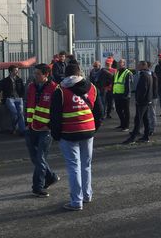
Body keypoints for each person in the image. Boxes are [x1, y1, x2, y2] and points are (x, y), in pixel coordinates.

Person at [50, 63, 101, 211]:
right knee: (86, 165)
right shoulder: (91, 87)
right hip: (88, 130)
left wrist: (56, 134)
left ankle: (76, 201)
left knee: (74, 167)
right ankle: (87, 195)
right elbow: (99, 111)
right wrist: (94, 127)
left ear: (65, 74)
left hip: (69, 133)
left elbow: (55, 116)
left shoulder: (60, 90)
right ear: (80, 73)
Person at [25, 63, 59, 197]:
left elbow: (57, 111)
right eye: (35, 73)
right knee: (35, 159)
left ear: (46, 75)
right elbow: (27, 105)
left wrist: (50, 126)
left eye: (38, 74)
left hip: (45, 130)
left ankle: (38, 186)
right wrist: (26, 123)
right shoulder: (31, 87)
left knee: (40, 158)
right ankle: (51, 176)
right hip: (31, 127)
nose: (35, 76)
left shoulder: (55, 88)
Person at [123, 61, 153, 144]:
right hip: (146, 100)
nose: (137, 66)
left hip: (142, 101)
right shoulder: (148, 74)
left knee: (138, 119)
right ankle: (146, 136)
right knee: (145, 119)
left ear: (144, 66)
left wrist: (139, 100)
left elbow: (143, 89)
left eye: (139, 65)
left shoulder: (144, 75)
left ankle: (133, 138)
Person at [0, 65, 26, 136]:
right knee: (15, 113)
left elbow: (23, 89)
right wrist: (2, 98)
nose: (17, 72)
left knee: (21, 114)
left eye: (17, 70)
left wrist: (21, 96)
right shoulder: (4, 81)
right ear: (10, 71)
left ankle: (22, 131)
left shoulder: (19, 80)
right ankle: (14, 128)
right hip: (9, 99)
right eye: (15, 70)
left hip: (18, 98)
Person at [112, 59, 133, 131]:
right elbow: (114, 83)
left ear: (124, 64)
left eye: (121, 62)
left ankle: (126, 126)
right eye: (119, 62)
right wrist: (113, 93)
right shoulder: (117, 72)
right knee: (118, 110)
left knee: (126, 111)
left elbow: (129, 85)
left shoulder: (127, 73)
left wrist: (126, 95)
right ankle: (122, 124)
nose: (119, 64)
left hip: (124, 95)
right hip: (117, 94)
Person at [146, 61, 158, 136]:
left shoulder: (152, 74)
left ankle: (152, 128)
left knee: (151, 113)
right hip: (149, 97)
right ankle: (148, 128)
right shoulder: (147, 74)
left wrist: (152, 96)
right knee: (147, 113)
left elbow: (154, 87)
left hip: (152, 97)